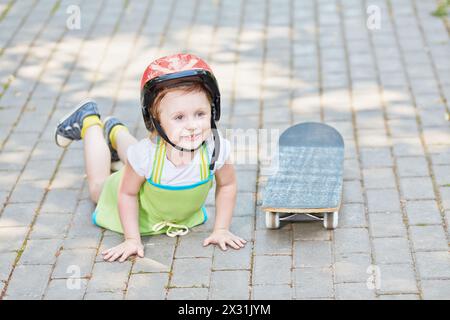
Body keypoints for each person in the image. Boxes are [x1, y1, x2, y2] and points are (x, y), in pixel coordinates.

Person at [54, 53, 246, 262]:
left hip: (147, 171)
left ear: (213, 110)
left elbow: (227, 185)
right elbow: (126, 194)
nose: (192, 125)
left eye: (200, 114)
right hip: (126, 191)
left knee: (140, 159)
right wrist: (132, 239)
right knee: (97, 189)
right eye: (179, 117)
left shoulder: (216, 149)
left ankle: (115, 131)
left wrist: (221, 229)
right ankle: (89, 121)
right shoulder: (145, 155)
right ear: (157, 122)